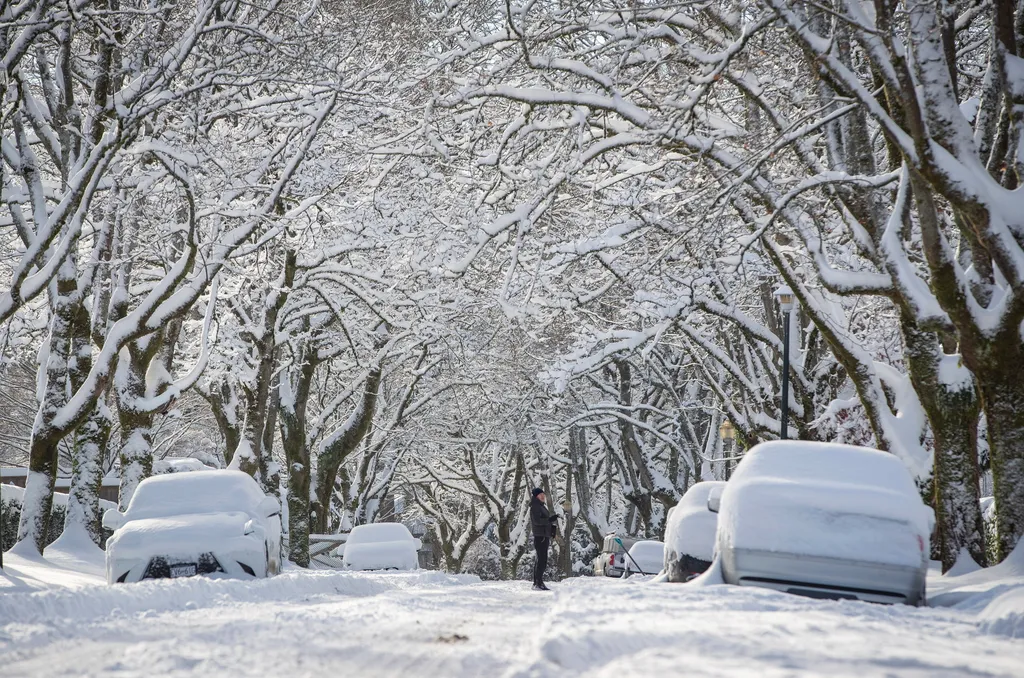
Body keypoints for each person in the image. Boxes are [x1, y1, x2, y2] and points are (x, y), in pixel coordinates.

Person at [530, 487, 558, 591]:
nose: (543, 496)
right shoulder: (535, 506)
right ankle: (538, 583)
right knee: (542, 560)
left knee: (540, 559)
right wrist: (550, 519)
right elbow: (537, 521)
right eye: (540, 495)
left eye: (543, 494)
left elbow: (544, 521)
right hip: (540, 536)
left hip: (543, 535)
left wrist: (552, 529)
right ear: (536, 496)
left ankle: (537, 583)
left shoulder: (540, 506)